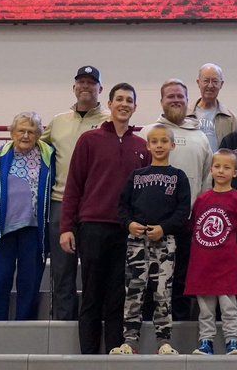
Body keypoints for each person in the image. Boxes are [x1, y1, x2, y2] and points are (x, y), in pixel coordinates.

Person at [0, 65, 106, 320]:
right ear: (74, 88)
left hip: (97, 206)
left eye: (91, 83)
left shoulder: (107, 121)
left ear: (99, 89)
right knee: (62, 271)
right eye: (81, 82)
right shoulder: (59, 121)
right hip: (61, 203)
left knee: (97, 271)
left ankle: (93, 325)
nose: (85, 86)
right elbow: (29, 140)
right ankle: (64, 324)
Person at [60, 83, 150, 354]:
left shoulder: (142, 146)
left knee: (117, 297)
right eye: (119, 99)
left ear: (135, 107)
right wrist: (67, 227)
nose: (124, 104)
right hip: (93, 227)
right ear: (109, 104)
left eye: (129, 100)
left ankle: (114, 353)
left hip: (127, 232)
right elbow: (73, 186)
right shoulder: (89, 140)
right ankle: (88, 356)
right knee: (91, 295)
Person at [110, 123, 191, 356]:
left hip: (165, 243)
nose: (159, 145)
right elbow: (123, 207)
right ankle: (129, 341)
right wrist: (129, 224)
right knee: (134, 291)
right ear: (147, 145)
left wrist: (164, 228)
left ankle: (163, 342)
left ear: (172, 145)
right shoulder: (136, 176)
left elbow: (183, 211)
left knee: (162, 292)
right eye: (154, 141)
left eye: (164, 141)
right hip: (137, 243)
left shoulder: (178, 176)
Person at [0, 112, 55, 321]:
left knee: (30, 285)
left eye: (31, 131)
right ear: (12, 133)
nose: (26, 135)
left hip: (35, 232)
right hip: (2, 233)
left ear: (39, 134)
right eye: (21, 131)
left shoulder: (50, 157)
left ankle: (24, 333)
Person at [154, 78, 214, 321]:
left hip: (189, 223)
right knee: (154, 277)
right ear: (161, 101)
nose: (176, 100)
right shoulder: (151, 132)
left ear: (188, 101)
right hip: (154, 223)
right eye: (170, 96)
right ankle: (151, 326)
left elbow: (207, 179)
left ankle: (179, 325)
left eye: (180, 96)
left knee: (182, 276)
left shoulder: (200, 138)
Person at [186, 149, 237, 356]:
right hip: (203, 264)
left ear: (235, 172)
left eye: (226, 167)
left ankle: (232, 342)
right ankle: (206, 342)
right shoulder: (202, 199)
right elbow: (194, 230)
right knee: (205, 310)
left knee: (229, 307)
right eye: (217, 166)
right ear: (211, 169)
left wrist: (235, 257)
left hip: (226, 265)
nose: (221, 171)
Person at [192, 63, 236, 151]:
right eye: (206, 81)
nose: (210, 85)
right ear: (198, 83)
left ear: (221, 84)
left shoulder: (231, 119)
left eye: (215, 81)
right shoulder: (186, 115)